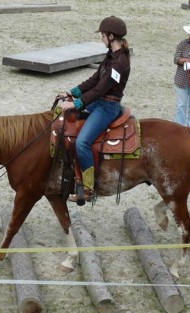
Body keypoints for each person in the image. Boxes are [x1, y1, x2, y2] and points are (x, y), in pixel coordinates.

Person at [61, 16, 131, 202]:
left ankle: (89, 189)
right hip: (98, 102)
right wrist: (73, 91)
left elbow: (101, 88)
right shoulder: (110, 57)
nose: (101, 38)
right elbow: (94, 79)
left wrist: (77, 103)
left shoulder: (120, 63)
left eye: (102, 35)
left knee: (82, 142)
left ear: (111, 35)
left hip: (107, 107)